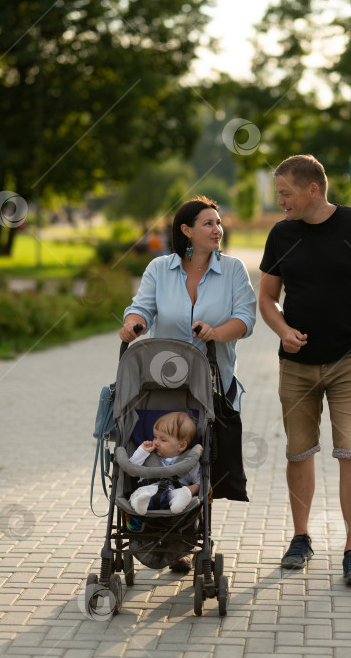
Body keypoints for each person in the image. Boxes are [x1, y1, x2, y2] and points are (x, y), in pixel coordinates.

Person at [259, 154, 351, 584]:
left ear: (312, 189)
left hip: (350, 362)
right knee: (298, 453)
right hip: (296, 366)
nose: (280, 202)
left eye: (285, 194)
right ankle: (301, 537)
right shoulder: (281, 235)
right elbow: (266, 297)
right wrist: (281, 328)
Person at [119, 194, 257, 568]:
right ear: (186, 230)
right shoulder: (159, 269)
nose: (218, 229)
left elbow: (246, 319)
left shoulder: (232, 270)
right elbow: (142, 307)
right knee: (163, 454)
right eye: (209, 223)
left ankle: (183, 536)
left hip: (210, 384)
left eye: (218, 222)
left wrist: (215, 332)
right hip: (160, 387)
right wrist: (134, 323)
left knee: (200, 461)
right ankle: (164, 534)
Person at [129, 412, 200, 515]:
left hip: (173, 492)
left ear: (181, 446)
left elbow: (198, 481)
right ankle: (140, 505)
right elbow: (132, 470)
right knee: (138, 495)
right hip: (147, 489)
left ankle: (178, 504)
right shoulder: (148, 455)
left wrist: (190, 490)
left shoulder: (188, 461)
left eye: (163, 440)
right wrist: (142, 451)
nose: (156, 442)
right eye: (155, 437)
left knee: (179, 494)